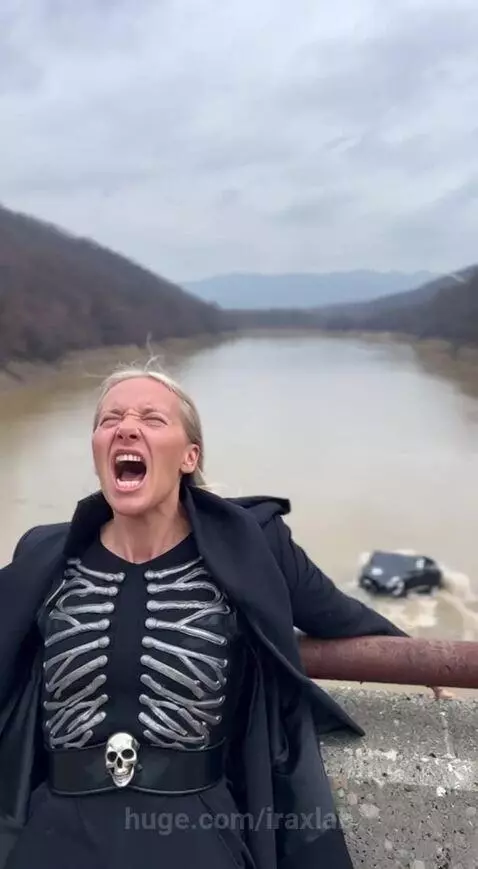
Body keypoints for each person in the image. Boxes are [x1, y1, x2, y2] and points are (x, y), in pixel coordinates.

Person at [0, 360, 448, 869]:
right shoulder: (45, 556)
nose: (126, 428)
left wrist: (419, 659)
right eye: (110, 420)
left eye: (152, 418)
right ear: (98, 449)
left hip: (191, 830)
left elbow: (335, 613)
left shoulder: (250, 544)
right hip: (57, 832)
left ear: (189, 456)